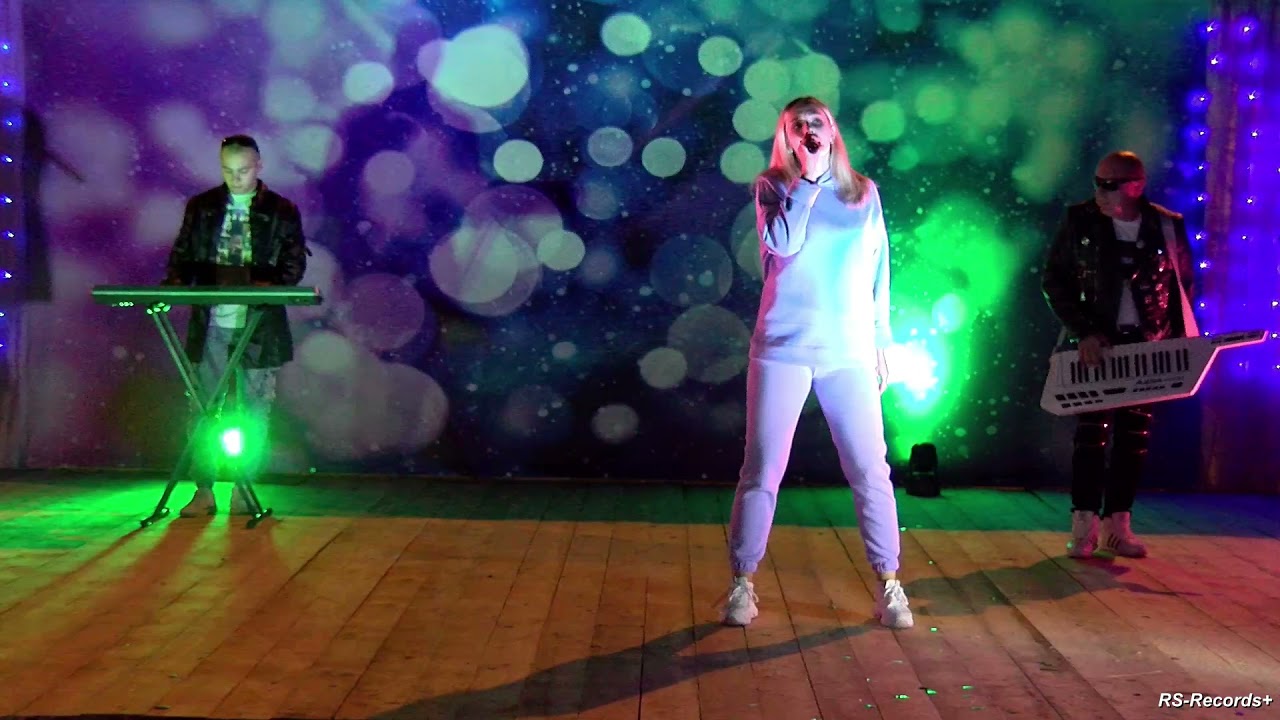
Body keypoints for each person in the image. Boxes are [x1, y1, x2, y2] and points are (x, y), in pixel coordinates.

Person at [720, 96, 912, 629]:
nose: (808, 129)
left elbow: (879, 270)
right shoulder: (772, 186)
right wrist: (806, 181)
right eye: (796, 125)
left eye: (816, 122)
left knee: (870, 469)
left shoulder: (863, 192)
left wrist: (882, 340)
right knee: (762, 470)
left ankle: (890, 584)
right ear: (786, 137)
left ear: (832, 130)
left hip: (848, 351)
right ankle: (742, 583)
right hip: (783, 348)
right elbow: (782, 244)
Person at [1041, 150, 1195, 559]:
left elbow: (1183, 284)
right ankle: (1084, 526)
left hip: (1147, 344)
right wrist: (1084, 332)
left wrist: (1172, 341)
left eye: (1110, 185)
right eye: (1098, 183)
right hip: (1098, 345)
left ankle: (1118, 526)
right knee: (1091, 434)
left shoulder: (1166, 224)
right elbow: (1054, 280)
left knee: (1134, 437)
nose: (1101, 192)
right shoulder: (1080, 220)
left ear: (1136, 185)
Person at [162, 135, 308, 517]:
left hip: (258, 323)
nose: (236, 178)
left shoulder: (281, 210)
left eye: (243, 170)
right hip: (211, 321)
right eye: (228, 171)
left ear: (259, 166)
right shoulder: (203, 207)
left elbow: (293, 265)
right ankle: (204, 490)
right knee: (202, 407)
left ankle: (244, 488)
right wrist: (173, 285)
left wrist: (262, 284)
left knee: (254, 410)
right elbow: (181, 255)